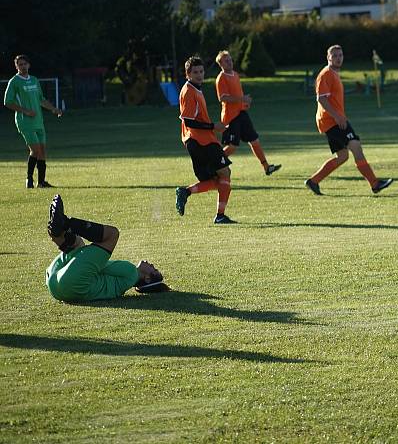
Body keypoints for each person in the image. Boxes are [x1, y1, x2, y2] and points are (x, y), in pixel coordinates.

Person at [304, 45, 393, 196]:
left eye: (340, 55)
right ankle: (375, 183)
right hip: (331, 121)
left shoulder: (334, 73)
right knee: (356, 146)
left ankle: (313, 181)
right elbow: (321, 99)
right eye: (335, 56)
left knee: (343, 156)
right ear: (328, 58)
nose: (338, 58)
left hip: (333, 120)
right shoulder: (326, 74)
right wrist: (337, 116)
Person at [46, 194, 168, 302]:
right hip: (58, 290)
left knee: (112, 234)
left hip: (69, 282)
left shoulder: (131, 272)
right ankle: (58, 232)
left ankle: (64, 225)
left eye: (154, 269)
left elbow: (100, 265)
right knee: (79, 245)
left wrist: (82, 248)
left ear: (147, 279)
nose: (152, 265)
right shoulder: (123, 284)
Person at [174, 56, 235, 224]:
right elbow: (189, 121)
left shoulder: (196, 89)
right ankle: (220, 215)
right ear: (187, 74)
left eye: (201, 71)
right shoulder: (189, 91)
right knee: (225, 173)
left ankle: (186, 192)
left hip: (203, 140)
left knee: (218, 179)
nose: (199, 75)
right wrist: (213, 127)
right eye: (195, 72)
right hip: (200, 141)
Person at [214, 50, 281, 177]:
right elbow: (222, 98)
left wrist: (244, 103)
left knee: (254, 140)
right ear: (220, 64)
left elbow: (239, 94)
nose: (229, 62)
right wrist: (241, 99)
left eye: (230, 59)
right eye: (226, 61)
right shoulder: (221, 78)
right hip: (231, 117)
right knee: (232, 146)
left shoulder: (235, 74)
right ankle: (214, 163)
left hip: (241, 113)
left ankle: (266, 167)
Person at [4, 54, 63, 188]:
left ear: (29, 65)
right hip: (25, 121)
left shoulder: (34, 80)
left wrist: (53, 109)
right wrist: (25, 111)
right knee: (35, 150)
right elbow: (7, 102)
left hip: (38, 121)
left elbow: (41, 99)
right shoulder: (14, 82)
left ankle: (41, 182)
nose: (23, 66)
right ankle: (29, 179)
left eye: (25, 64)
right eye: (20, 64)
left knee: (42, 150)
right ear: (16, 66)